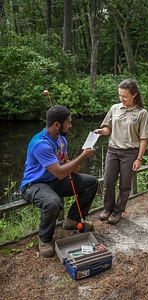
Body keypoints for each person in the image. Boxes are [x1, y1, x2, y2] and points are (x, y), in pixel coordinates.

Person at [20, 105, 98, 258]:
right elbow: (60, 172)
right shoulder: (40, 144)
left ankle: (72, 221)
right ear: (57, 124)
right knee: (53, 202)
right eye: (68, 122)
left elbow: (65, 164)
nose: (70, 125)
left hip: (55, 179)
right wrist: (82, 156)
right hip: (34, 184)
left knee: (91, 182)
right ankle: (44, 239)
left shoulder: (61, 139)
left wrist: (74, 165)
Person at [94, 78, 148, 225]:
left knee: (125, 185)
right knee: (108, 182)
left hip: (130, 153)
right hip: (113, 151)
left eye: (125, 96)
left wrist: (139, 159)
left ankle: (118, 210)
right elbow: (108, 128)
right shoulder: (115, 108)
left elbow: (144, 138)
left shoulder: (141, 113)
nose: (122, 99)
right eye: (120, 95)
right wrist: (102, 131)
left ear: (134, 95)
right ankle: (107, 208)